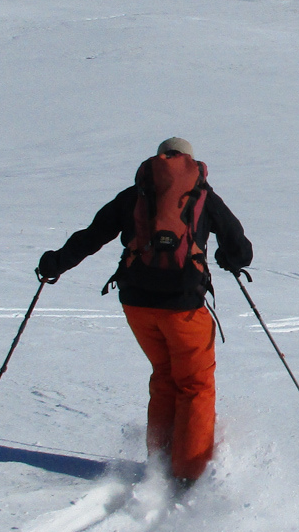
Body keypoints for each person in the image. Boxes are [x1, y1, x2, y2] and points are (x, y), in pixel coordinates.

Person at [34, 137, 253, 487]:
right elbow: (240, 248)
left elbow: (92, 236)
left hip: (136, 304)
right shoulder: (203, 196)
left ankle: (160, 464)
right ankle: (189, 475)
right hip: (183, 306)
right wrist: (229, 259)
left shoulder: (135, 194)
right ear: (192, 163)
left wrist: (55, 263)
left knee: (165, 376)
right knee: (195, 385)